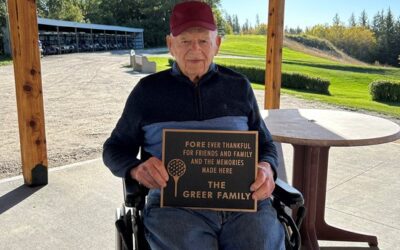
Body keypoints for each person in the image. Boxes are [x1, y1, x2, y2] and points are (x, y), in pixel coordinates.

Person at [103, 1, 284, 249]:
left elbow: (266, 144)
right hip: (175, 206)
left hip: (244, 204)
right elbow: (114, 148)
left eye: (203, 41)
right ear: (170, 45)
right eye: (185, 41)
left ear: (217, 44)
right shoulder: (147, 92)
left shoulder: (239, 87)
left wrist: (267, 167)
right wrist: (136, 169)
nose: (195, 49)